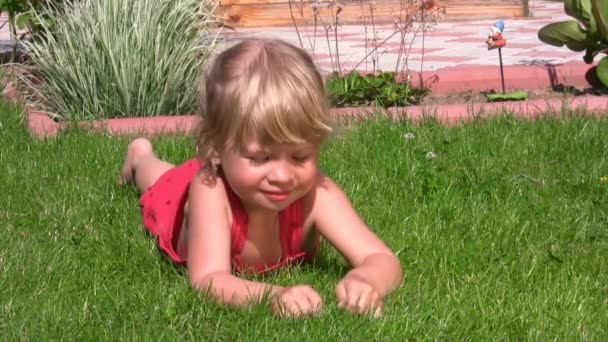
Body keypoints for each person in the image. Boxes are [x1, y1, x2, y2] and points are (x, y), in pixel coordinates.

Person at [119, 38, 402, 318]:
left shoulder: (316, 195)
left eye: (299, 156)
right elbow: (208, 278)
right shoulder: (210, 191)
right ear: (215, 148)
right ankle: (139, 155)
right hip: (180, 197)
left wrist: (366, 280)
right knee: (160, 178)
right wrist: (274, 295)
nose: (281, 175)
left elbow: (381, 259)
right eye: (259, 158)